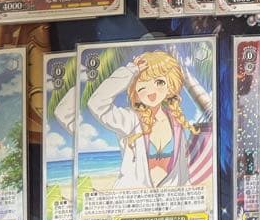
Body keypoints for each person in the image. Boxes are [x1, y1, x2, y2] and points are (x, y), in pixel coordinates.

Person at [86, 51, 213, 189]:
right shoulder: (130, 119)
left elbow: (182, 173)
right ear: (135, 92)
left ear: (170, 85)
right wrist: (130, 71)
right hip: (133, 198)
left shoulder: (176, 121)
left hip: (168, 199)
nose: (151, 92)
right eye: (142, 87)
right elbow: (96, 103)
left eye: (159, 82)